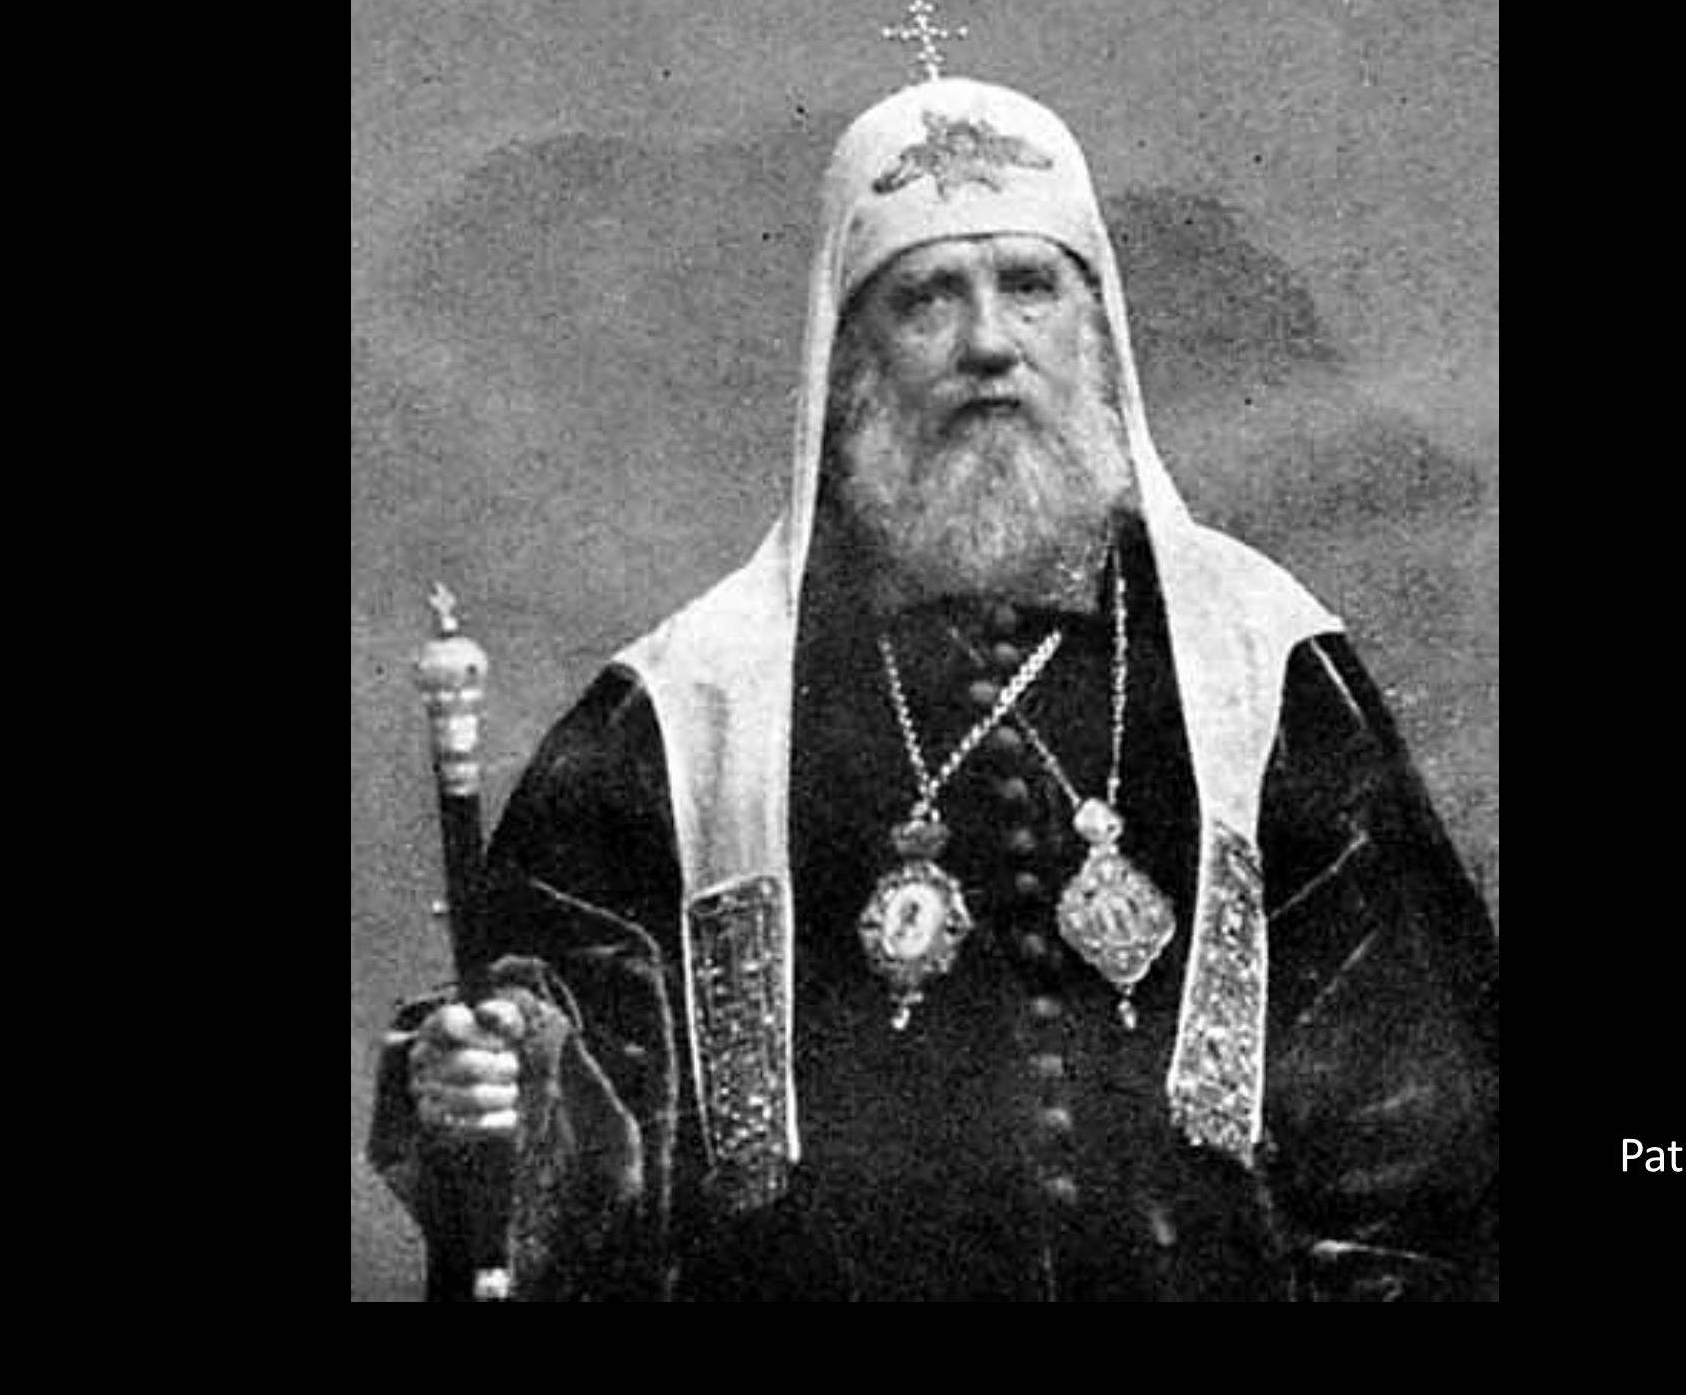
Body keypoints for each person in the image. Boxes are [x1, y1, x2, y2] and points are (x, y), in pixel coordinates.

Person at [367, 74, 1498, 1301]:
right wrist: (498, 1079)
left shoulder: (1257, 656)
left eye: (1030, 285)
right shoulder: (693, 704)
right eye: (927, 299)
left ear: (1096, 330)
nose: (989, 342)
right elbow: (562, 1061)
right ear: (849, 359)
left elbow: (1415, 1110)